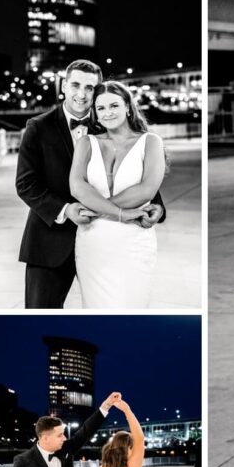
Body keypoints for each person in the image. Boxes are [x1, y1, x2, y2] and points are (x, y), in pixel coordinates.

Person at [16, 60, 165, 309]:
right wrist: (66, 210)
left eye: (89, 88)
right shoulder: (38, 127)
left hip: (108, 239)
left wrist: (157, 206)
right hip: (51, 240)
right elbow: (26, 183)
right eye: (75, 85)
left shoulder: (108, 120)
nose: (82, 94)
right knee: (41, 315)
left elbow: (136, 173)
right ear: (64, 86)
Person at [68, 81, 166, 308]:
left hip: (134, 241)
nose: (108, 113)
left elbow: (146, 190)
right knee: (95, 309)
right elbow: (77, 187)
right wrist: (120, 213)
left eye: (114, 105)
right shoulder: (86, 142)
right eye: (101, 108)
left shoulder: (150, 142)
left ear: (128, 108)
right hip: (92, 241)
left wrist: (96, 209)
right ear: (94, 113)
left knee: (132, 308)